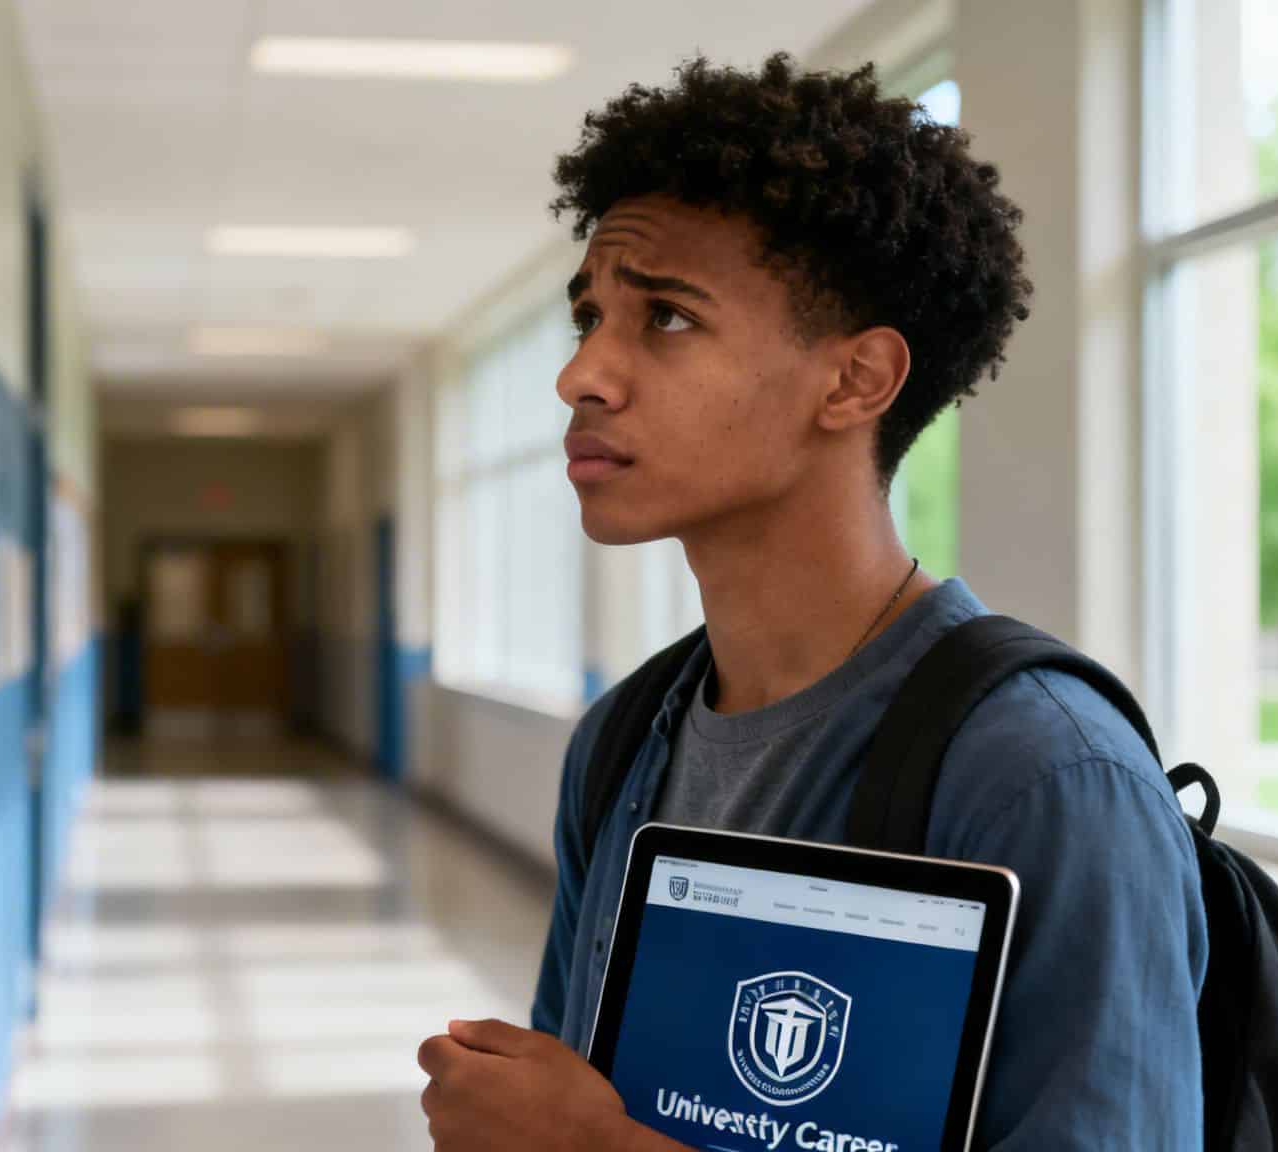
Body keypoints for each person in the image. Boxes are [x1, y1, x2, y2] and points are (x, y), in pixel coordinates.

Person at [416, 56, 1206, 1150]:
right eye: (589, 316)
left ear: (853, 381)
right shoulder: (622, 745)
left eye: (667, 320)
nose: (581, 375)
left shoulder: (1041, 774)